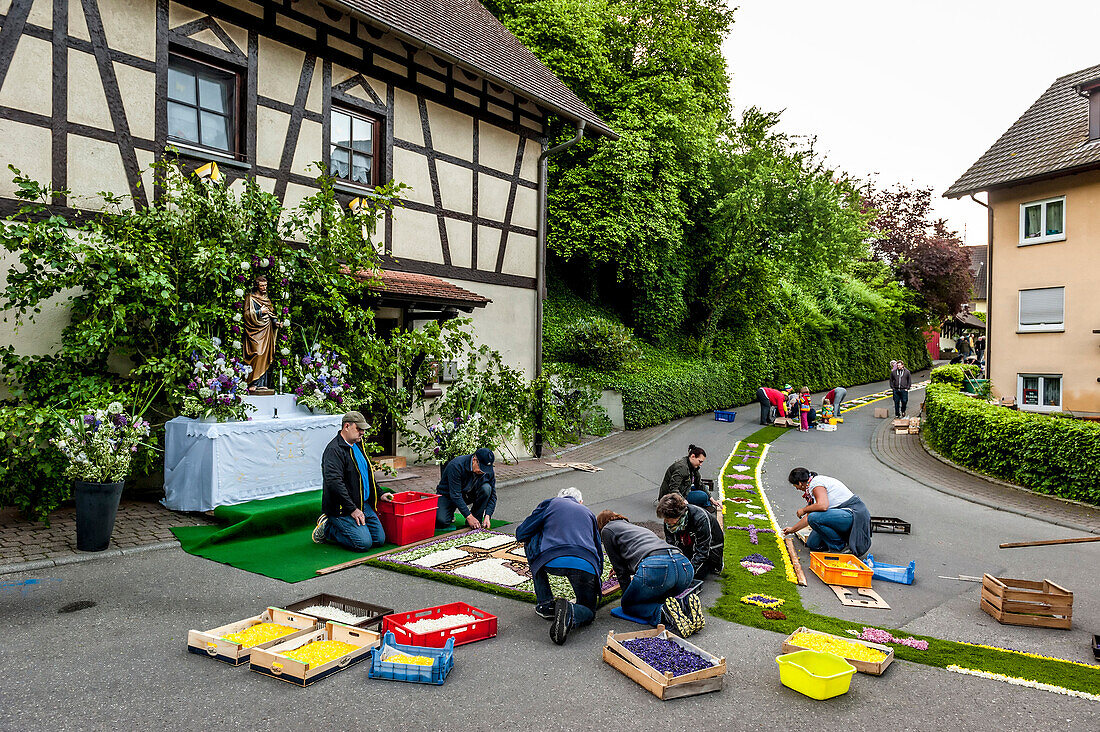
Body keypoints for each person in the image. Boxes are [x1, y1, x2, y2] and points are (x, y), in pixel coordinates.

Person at [515, 487, 602, 646]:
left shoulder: (551, 504)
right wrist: (595, 580)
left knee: (530, 538)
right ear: (580, 502)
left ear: (560, 497)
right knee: (588, 612)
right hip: (586, 565)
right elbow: (598, 549)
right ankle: (572, 611)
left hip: (552, 560)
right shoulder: (588, 513)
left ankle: (546, 605)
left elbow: (521, 533)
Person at [598, 510, 703, 637]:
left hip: (658, 568)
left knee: (629, 605)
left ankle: (663, 613)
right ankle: (684, 606)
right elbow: (645, 553)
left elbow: (621, 571)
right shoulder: (634, 528)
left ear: (601, 524)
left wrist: (627, 599)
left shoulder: (607, 530)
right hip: (684, 566)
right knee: (659, 597)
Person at [313, 411, 393, 551]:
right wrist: (353, 509)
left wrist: (380, 493)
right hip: (342, 508)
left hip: (362, 503)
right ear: (347, 426)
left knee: (379, 540)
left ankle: (351, 526)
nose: (362, 432)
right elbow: (335, 484)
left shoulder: (357, 444)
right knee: (363, 544)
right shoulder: (334, 451)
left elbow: (366, 474)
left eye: (363, 429)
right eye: (359, 429)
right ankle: (328, 528)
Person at [781, 467, 871, 557]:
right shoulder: (812, 484)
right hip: (841, 515)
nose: (797, 489)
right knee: (813, 544)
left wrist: (804, 510)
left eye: (795, 486)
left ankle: (839, 547)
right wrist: (792, 530)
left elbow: (823, 506)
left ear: (800, 483)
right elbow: (809, 517)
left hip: (853, 515)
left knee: (814, 518)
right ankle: (838, 539)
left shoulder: (816, 484)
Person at [656, 493, 723, 581]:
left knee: (693, 575)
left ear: (677, 516)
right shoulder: (669, 521)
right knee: (673, 569)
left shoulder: (700, 518)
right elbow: (670, 543)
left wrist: (689, 571)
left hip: (711, 550)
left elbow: (703, 552)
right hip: (690, 544)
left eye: (667, 519)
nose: (665, 521)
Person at [435, 447, 497, 530]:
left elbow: (493, 495)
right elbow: (455, 495)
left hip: (468, 493)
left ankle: (476, 518)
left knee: (487, 489)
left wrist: (488, 516)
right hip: (448, 495)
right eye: (481, 468)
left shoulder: (487, 470)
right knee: (441, 521)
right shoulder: (456, 465)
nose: (482, 472)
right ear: (474, 460)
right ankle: (454, 514)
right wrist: (468, 516)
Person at [243, 274, 278, 391]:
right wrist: (259, 311)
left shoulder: (267, 299)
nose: (264, 288)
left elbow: (271, 313)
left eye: (265, 286)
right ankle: (252, 382)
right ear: (257, 286)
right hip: (255, 330)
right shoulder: (250, 298)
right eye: (262, 286)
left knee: (265, 355)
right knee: (257, 354)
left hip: (267, 329)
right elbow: (246, 314)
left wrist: (276, 322)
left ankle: (262, 383)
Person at [658, 445, 719, 510]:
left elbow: (699, 484)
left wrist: (712, 499)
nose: (701, 464)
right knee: (703, 496)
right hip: (670, 497)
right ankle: (706, 504)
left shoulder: (692, 466)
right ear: (693, 456)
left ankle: (707, 503)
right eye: (700, 461)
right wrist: (684, 501)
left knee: (705, 489)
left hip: (684, 490)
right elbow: (673, 489)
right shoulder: (682, 468)